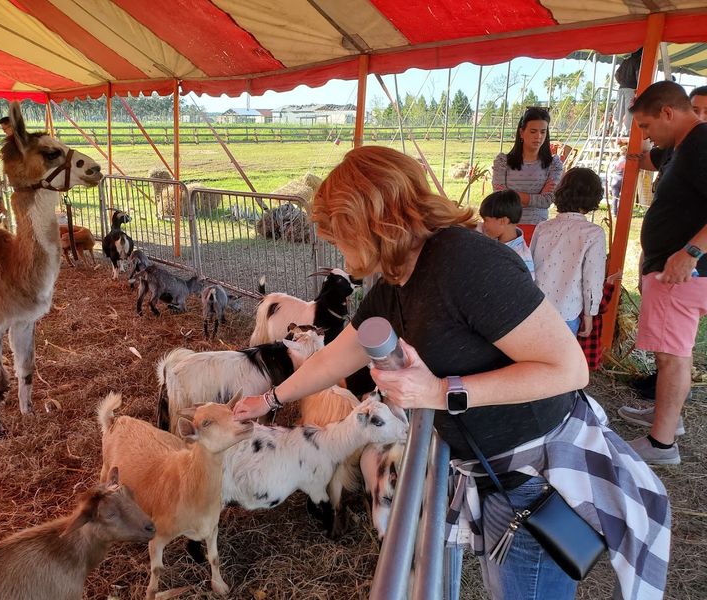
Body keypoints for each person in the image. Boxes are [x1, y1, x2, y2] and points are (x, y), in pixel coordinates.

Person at [233, 146, 670, 600]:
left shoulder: (467, 264)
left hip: (535, 476)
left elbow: (568, 368)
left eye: (338, 232)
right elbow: (334, 357)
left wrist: (443, 391)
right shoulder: (397, 280)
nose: (334, 245)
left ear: (370, 220)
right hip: (493, 473)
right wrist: (267, 401)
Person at [616, 81, 707, 466]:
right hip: (673, 268)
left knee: (673, 357)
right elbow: (652, 159)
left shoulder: (701, 143)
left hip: (679, 272)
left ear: (668, 113)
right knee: (675, 354)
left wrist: (690, 252)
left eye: (647, 126)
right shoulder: (685, 146)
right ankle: (667, 420)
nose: (647, 135)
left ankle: (661, 443)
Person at [531, 168, 606, 338]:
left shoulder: (543, 227)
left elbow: (530, 268)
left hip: (535, 309)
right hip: (567, 311)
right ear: (594, 197)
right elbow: (592, 279)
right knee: (560, 363)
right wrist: (589, 314)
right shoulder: (594, 234)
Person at [492, 107, 563, 244]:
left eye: (543, 132)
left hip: (538, 230)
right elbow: (499, 197)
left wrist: (512, 196)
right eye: (533, 131)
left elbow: (547, 200)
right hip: (507, 231)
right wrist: (533, 198)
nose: (538, 137)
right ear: (521, 132)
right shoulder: (502, 161)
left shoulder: (554, 164)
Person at [478, 189, 534, 278]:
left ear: (503, 221)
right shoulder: (490, 236)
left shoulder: (522, 257)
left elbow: (526, 289)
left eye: (486, 220)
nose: (483, 225)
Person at [613, 48, 642, 136]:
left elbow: (616, 74)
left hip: (621, 88)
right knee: (629, 110)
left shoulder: (625, 61)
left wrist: (621, 82)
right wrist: (638, 87)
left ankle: (616, 130)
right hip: (631, 88)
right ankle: (627, 131)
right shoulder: (638, 61)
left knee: (619, 110)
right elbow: (638, 74)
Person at [609, 144, 627, 216]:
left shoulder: (616, 161)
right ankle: (620, 212)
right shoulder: (626, 161)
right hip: (623, 179)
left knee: (614, 197)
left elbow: (611, 170)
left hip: (615, 178)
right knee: (622, 197)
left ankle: (614, 212)